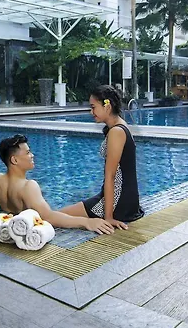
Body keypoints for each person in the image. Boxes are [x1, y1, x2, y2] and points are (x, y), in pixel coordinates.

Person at [0, 134, 115, 234]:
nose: (32, 155)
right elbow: (48, 217)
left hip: (7, 227)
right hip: (22, 232)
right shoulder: (28, 187)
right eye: (28, 152)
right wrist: (87, 222)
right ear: (14, 160)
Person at [60, 85, 144, 227]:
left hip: (118, 203)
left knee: (53, 216)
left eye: (93, 107)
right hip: (125, 200)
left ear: (107, 107)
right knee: (58, 215)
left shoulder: (116, 132)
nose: (91, 112)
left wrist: (108, 217)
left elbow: (110, 175)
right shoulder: (120, 126)